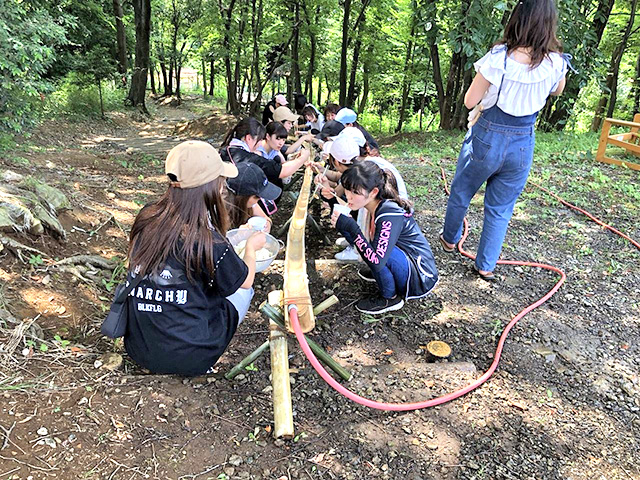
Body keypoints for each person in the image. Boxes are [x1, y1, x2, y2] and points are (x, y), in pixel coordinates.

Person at [440, 0, 570, 281]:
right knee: (500, 208)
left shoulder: (499, 58)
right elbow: (557, 91)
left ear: (517, 20)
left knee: (462, 190)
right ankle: (485, 265)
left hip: (487, 136)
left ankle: (450, 240)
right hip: (522, 142)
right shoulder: (556, 62)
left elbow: (470, 100)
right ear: (549, 24)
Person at [124, 141, 266, 376]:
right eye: (220, 179)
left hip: (139, 348)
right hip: (191, 357)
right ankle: (207, 354)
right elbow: (246, 280)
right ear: (209, 186)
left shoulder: (146, 217)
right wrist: (251, 247)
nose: (222, 186)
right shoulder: (208, 240)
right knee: (243, 289)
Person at [330, 161, 438, 314]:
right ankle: (387, 277)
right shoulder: (371, 206)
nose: (349, 196)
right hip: (405, 261)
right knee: (374, 251)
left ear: (373, 192)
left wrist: (352, 229)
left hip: (420, 277)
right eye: (347, 190)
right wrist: (343, 225)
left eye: (355, 192)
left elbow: (377, 260)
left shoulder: (388, 213)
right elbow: (361, 245)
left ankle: (390, 297)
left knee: (379, 258)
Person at [220, 117, 310, 194]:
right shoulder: (247, 158)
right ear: (249, 138)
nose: (260, 144)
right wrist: (303, 157)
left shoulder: (227, 150)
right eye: (259, 140)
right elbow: (282, 171)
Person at [226, 162, 282, 233]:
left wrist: (268, 223)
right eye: (257, 197)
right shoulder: (219, 212)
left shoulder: (250, 203)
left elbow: (265, 217)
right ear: (243, 197)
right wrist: (237, 236)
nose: (259, 200)